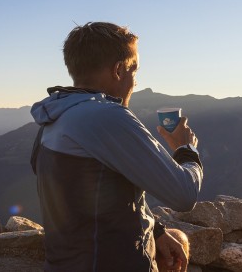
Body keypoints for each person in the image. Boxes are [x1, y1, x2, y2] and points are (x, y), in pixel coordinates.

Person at [30, 22, 202, 272]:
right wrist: (187, 150)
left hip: (65, 263)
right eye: (134, 71)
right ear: (118, 70)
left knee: (177, 237)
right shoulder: (108, 116)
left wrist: (158, 230)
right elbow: (184, 195)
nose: (135, 81)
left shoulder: (53, 117)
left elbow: (94, 197)